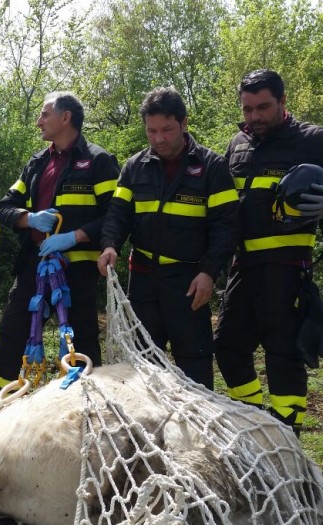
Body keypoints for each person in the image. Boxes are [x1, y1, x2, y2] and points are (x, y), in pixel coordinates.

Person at [214, 69, 323, 436]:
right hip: (242, 266)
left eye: (263, 107)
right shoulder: (238, 144)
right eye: (247, 109)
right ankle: (253, 421)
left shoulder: (311, 141)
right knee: (228, 346)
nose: (255, 117)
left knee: (283, 353)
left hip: (286, 266)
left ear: (282, 102)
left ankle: (286, 435)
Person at [98, 87, 239, 388]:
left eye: (167, 129)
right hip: (144, 280)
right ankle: (147, 429)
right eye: (152, 131)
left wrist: (209, 273)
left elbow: (226, 227)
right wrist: (110, 245)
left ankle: (197, 429)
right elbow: (117, 214)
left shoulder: (212, 167)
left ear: (184, 123)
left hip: (189, 281)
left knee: (194, 362)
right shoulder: (135, 167)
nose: (159, 139)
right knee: (142, 361)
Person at [0, 92, 120, 396]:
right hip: (35, 264)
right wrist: (29, 219)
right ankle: (1, 402)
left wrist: (74, 236)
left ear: (65, 118)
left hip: (77, 269)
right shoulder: (37, 162)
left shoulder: (98, 161)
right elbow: (5, 206)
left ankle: (87, 406)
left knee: (81, 338)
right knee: (12, 334)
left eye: (44, 114)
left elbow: (115, 216)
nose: (38, 122)